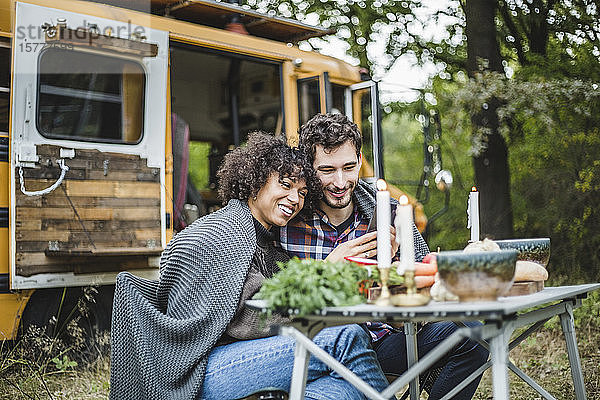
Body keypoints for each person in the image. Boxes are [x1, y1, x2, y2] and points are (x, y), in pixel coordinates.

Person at [110, 132, 389, 400]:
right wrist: (325, 273)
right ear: (255, 183)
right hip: (196, 372)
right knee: (346, 337)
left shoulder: (267, 243)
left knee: (340, 388)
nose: (295, 199)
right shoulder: (223, 232)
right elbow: (259, 317)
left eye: (302, 192)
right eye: (286, 184)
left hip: (242, 357)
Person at [277, 114, 489, 400]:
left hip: (385, 340)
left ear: (360, 160)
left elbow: (427, 280)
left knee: (473, 334)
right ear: (308, 167)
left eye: (349, 167)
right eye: (327, 170)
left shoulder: (388, 210)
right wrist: (327, 271)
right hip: (325, 347)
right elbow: (278, 305)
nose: (340, 182)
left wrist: (399, 273)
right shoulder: (287, 219)